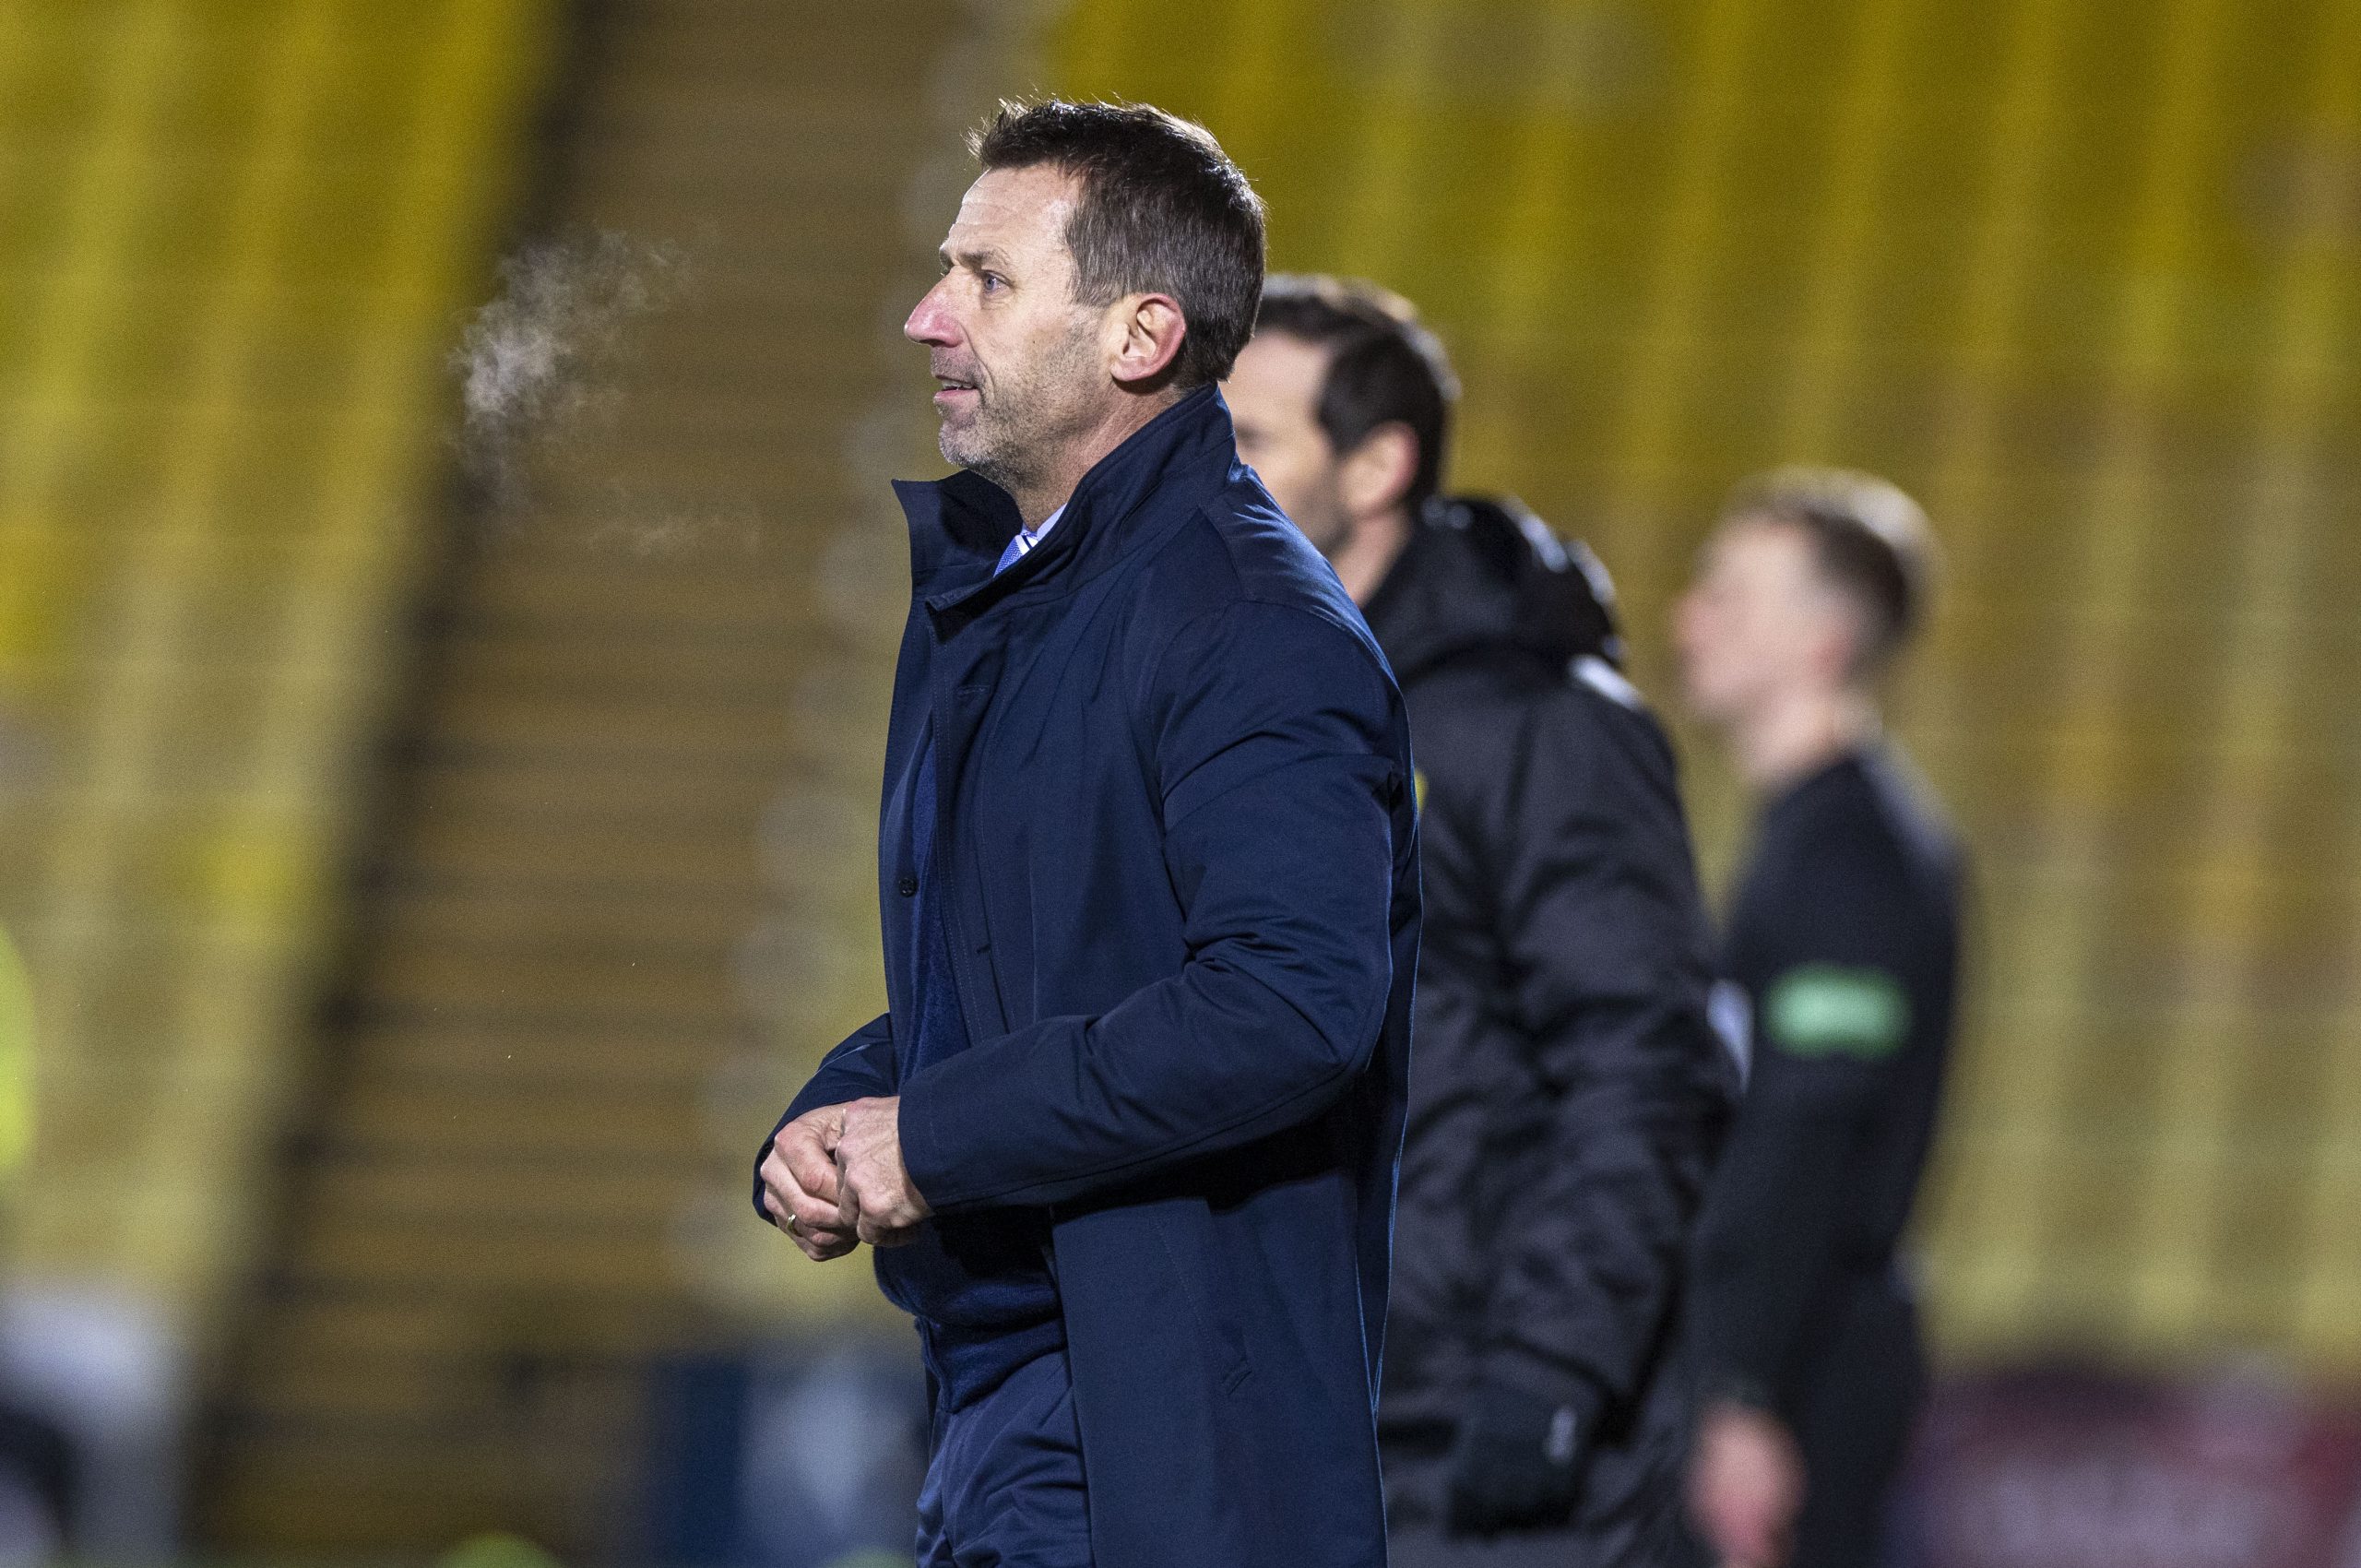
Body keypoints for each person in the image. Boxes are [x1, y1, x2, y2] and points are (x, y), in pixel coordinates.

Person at [750, 104, 1419, 1568]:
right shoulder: (1028, 600)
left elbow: (1290, 1002)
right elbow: (1037, 975)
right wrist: (842, 1114)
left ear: (1140, 336)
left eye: (987, 278)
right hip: (1014, 1414)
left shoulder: (1251, 623)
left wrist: (938, 1135)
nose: (929, 316)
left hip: (1160, 1445)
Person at [1226, 275, 1730, 1567]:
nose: (1202, 473)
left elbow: (1642, 1060)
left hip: (1467, 1440)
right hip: (1264, 1403)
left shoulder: (1542, 727)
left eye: (1248, 439)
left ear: (1377, 466)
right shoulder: (1229, 703)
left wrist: (1554, 1366)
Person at [1671, 469, 1964, 1568]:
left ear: (1823, 642)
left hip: (1799, 1374)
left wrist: (1739, 1392)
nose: (1689, 617)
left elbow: (1809, 1138)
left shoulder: (1852, 860)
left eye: (1729, 595)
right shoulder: (1812, 837)